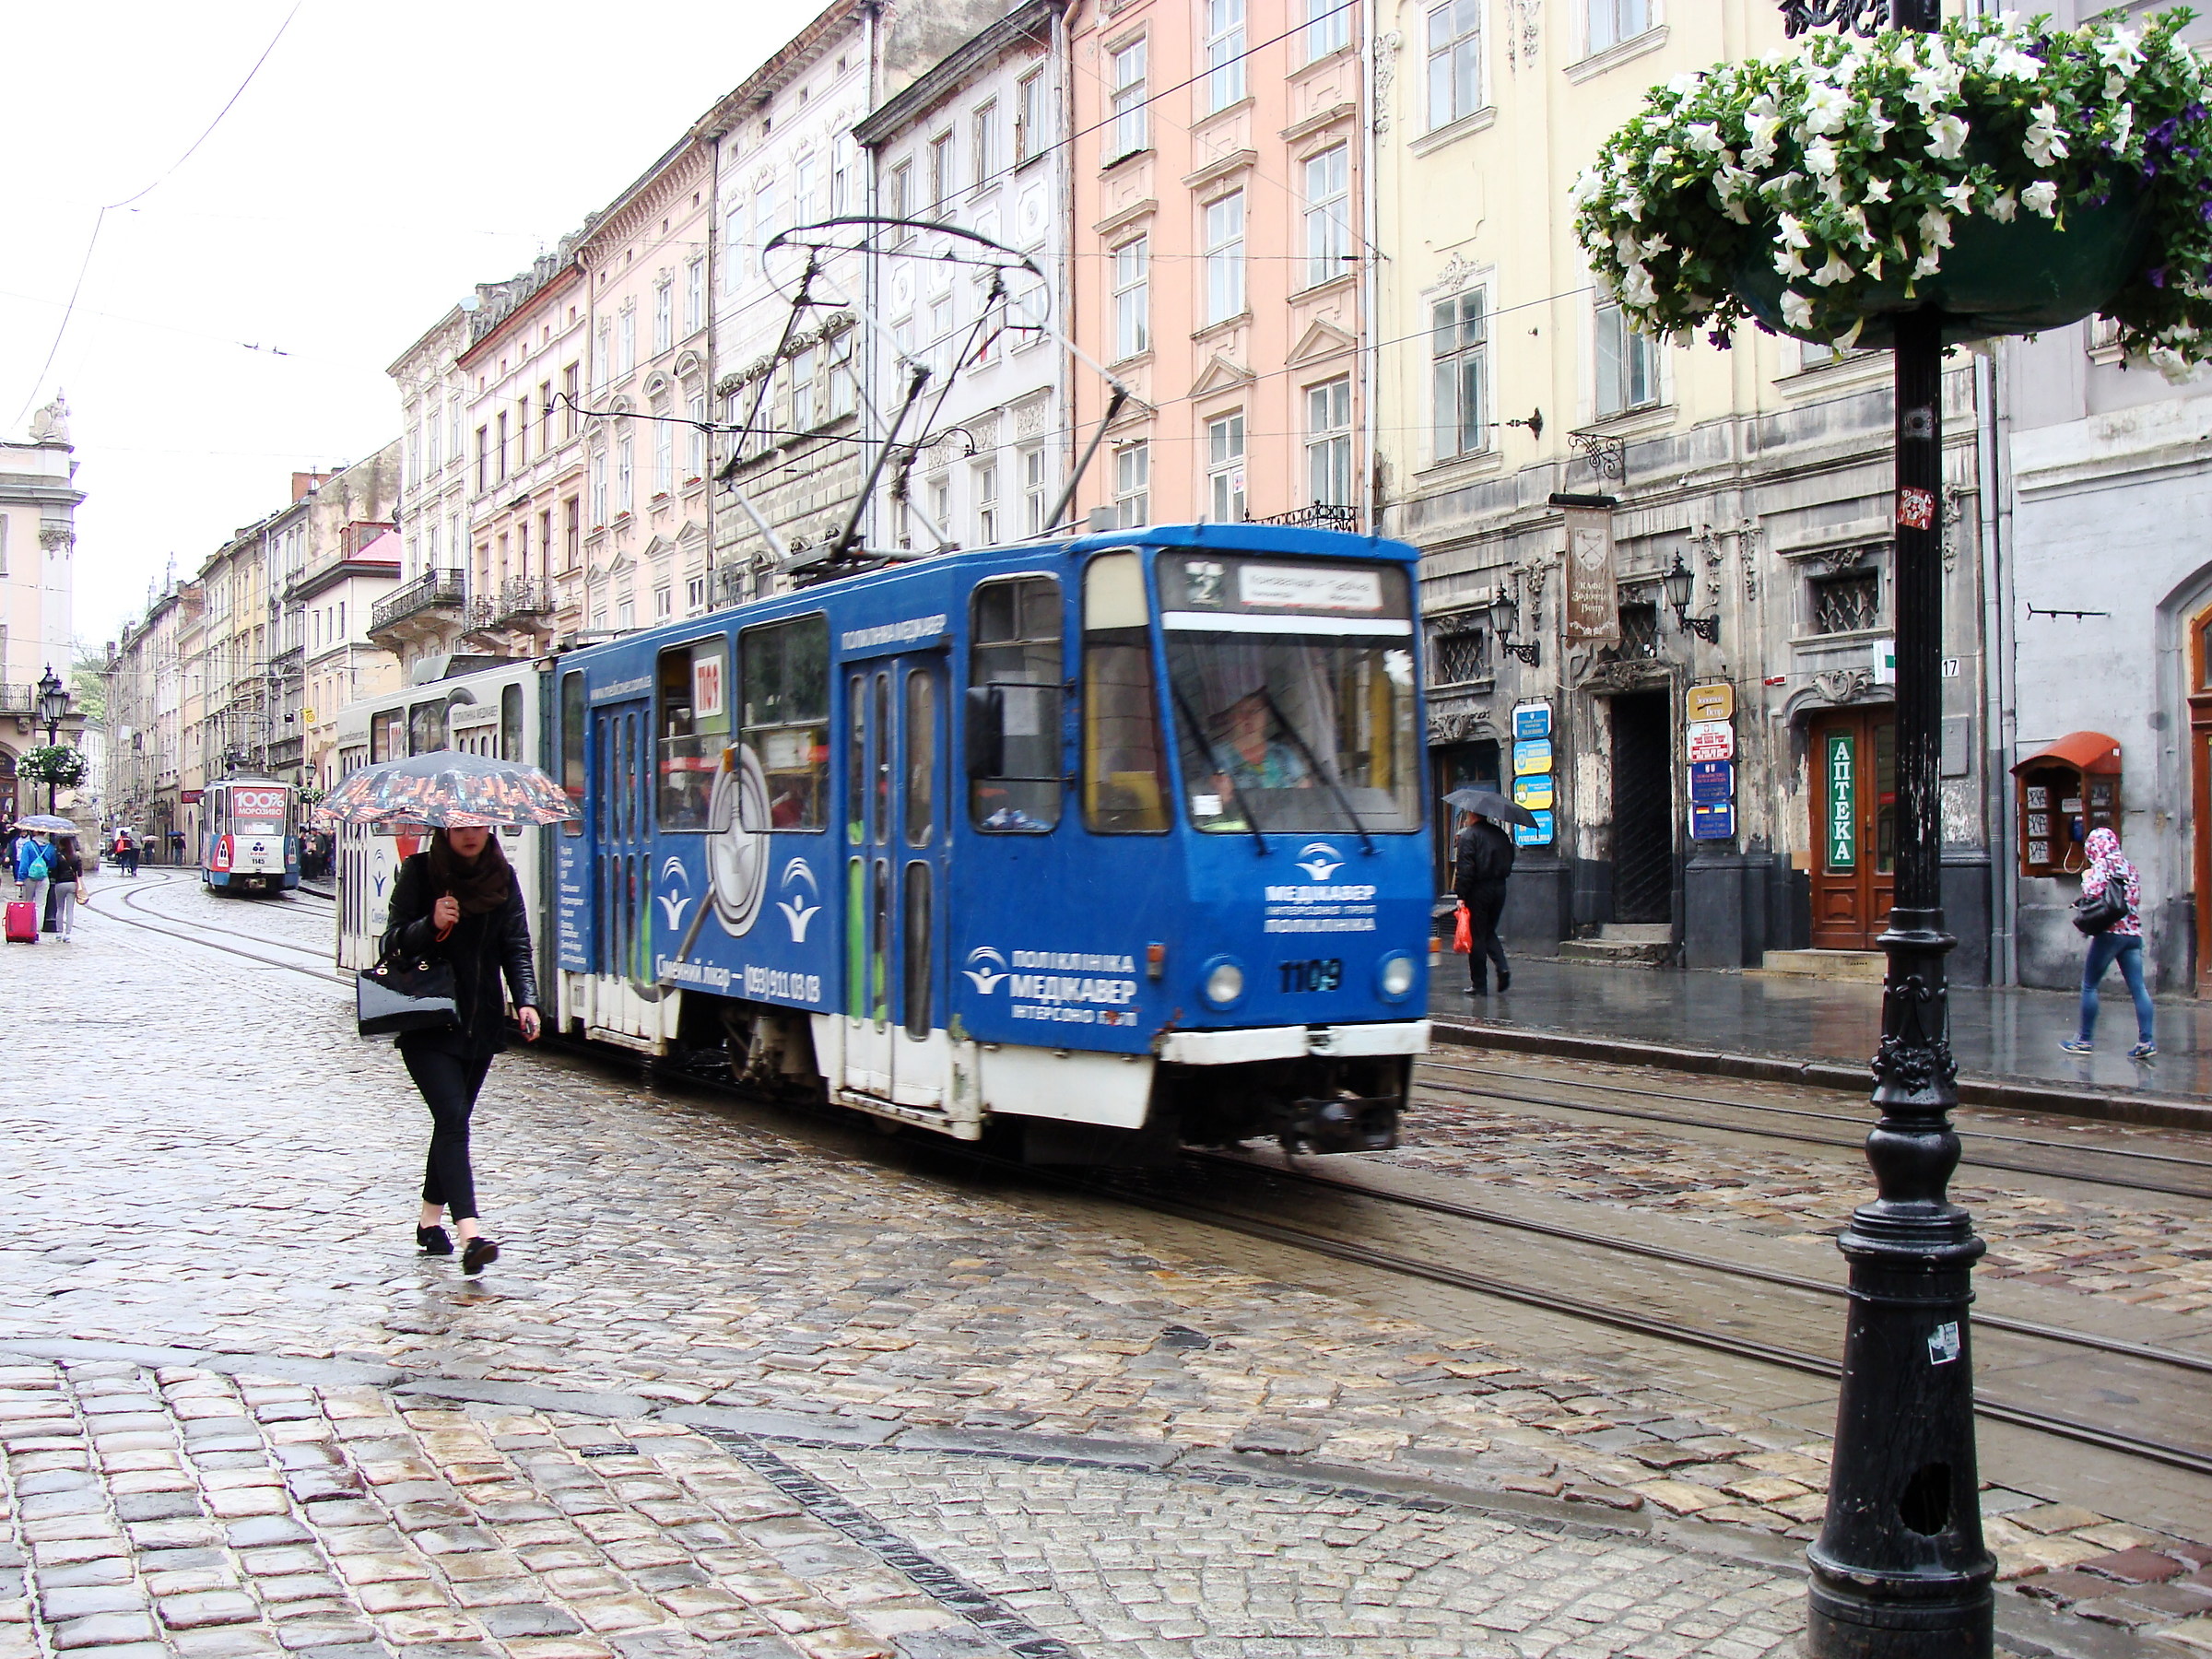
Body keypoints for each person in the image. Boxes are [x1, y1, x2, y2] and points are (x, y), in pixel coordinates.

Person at [381, 823, 542, 1273]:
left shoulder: (501, 876)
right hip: (428, 1023)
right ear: (444, 830)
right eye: (460, 827)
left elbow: (516, 947)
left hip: (481, 1022)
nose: (470, 835)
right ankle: (471, 1232)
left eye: (478, 826)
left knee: (452, 1124)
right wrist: (429, 926)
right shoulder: (420, 873)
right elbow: (389, 945)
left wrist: (526, 1001)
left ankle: (429, 1222)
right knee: (452, 1119)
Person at [2061, 827, 2156, 1060]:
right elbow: (2133, 898)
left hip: (2109, 934)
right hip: (2133, 935)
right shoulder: (2129, 867)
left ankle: (2084, 1040)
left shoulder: (2103, 866)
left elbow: (2092, 893)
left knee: (2090, 985)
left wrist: (2087, 878)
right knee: (2138, 988)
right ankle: (2146, 1041)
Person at [1453, 810, 1517, 995]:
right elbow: (1510, 859)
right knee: (1488, 931)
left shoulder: (1469, 836)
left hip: (1478, 890)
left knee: (1477, 936)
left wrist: (1461, 895)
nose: (1466, 820)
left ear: (1473, 816)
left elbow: (1465, 869)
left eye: (1467, 816)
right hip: (1499, 887)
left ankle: (1479, 984)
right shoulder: (1500, 834)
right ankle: (1502, 967)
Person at [45, 836, 85, 942]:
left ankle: (59, 932)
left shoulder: (57, 857)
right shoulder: (76, 857)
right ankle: (68, 934)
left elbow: (53, 871)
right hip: (72, 884)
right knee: (70, 910)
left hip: (60, 884)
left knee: (60, 909)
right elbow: (79, 873)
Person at [14, 831, 52, 923]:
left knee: (28, 902)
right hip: (43, 877)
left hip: (29, 878)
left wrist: (20, 878)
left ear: (34, 832)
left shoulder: (28, 845)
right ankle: (37, 927)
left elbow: (24, 863)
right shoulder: (50, 847)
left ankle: (28, 925)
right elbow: (53, 863)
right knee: (41, 904)